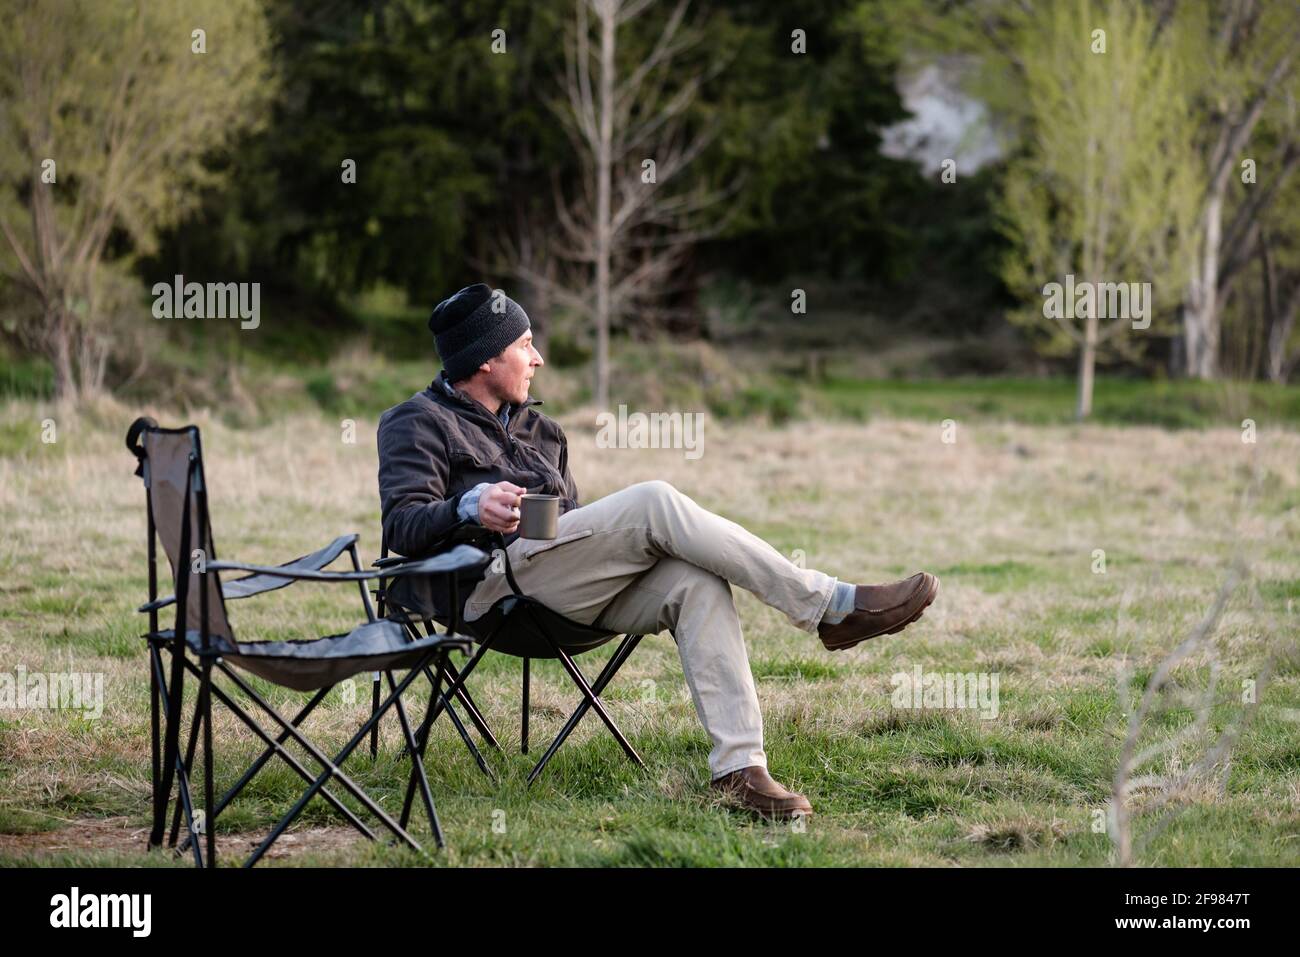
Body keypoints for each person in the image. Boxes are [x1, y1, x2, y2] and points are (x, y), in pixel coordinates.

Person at [377, 283, 939, 819]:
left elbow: (572, 525)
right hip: (483, 590)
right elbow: (402, 525)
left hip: (558, 589)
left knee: (697, 583)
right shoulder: (416, 422)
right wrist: (467, 506)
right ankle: (829, 605)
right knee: (655, 500)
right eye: (524, 345)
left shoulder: (540, 429)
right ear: (484, 361)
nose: (539, 358)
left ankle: (739, 769)